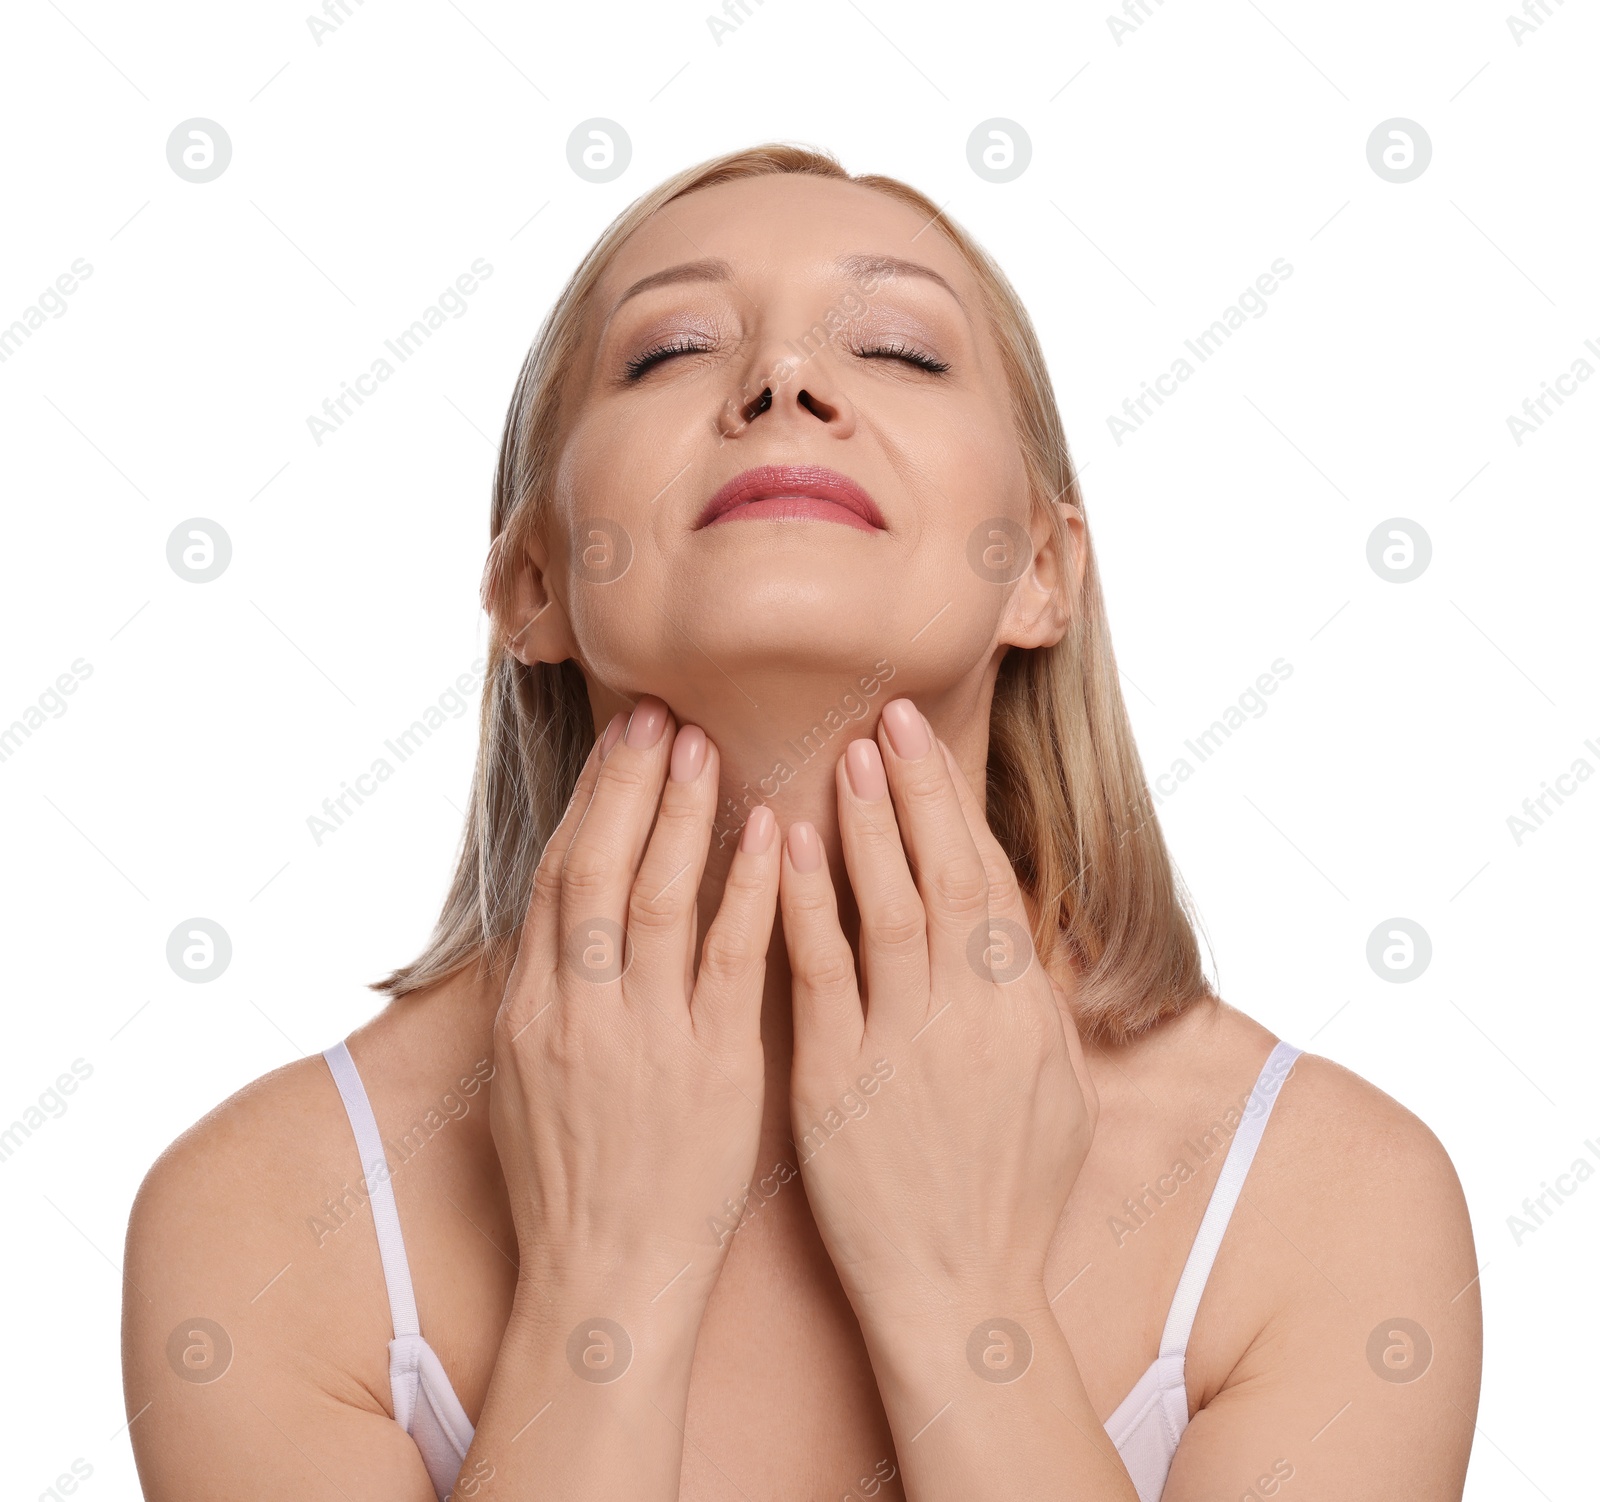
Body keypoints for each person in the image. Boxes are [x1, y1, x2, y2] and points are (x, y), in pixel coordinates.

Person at [122, 143, 1481, 1501]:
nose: (784, 381)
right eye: (671, 350)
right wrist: (608, 1283)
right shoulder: (265, 1220)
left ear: (1044, 571)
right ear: (532, 580)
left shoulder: (1331, 1204)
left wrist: (963, 1301)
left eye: (898, 348)